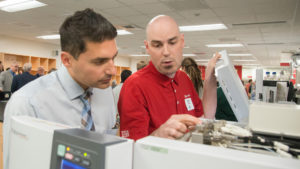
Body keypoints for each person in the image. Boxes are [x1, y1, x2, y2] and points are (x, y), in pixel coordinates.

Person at [3, 8, 118, 169]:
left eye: (114, 58)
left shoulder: (104, 91)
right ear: (67, 60)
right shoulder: (27, 104)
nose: (112, 71)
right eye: (99, 62)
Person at [118, 15, 220, 140]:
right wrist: (158, 135)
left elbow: (203, 118)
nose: (166, 52)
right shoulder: (134, 86)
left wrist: (210, 79)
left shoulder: (184, 79)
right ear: (148, 47)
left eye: (172, 43)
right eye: (157, 45)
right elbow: (131, 148)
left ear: (182, 42)